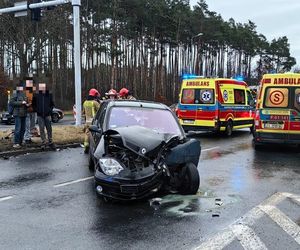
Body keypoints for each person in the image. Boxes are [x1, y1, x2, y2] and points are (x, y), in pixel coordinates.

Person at [32, 83, 55, 149]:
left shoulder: (49, 95)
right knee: (41, 129)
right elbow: (33, 105)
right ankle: (44, 142)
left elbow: (52, 104)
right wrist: (37, 110)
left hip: (47, 115)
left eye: (43, 87)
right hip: (40, 115)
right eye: (41, 87)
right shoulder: (36, 95)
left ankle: (50, 141)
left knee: (49, 128)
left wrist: (50, 110)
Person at [83, 88, 101, 153]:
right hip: (94, 122)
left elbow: (83, 112)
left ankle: (86, 146)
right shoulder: (95, 103)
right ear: (94, 95)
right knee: (95, 135)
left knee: (87, 134)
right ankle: (95, 148)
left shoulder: (85, 102)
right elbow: (100, 111)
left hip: (87, 121)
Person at [24, 79, 37, 144]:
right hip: (27, 111)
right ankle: (26, 139)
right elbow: (23, 101)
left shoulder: (34, 92)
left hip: (34, 111)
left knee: (32, 125)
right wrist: (27, 104)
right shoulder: (25, 92)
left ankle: (29, 138)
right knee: (27, 126)